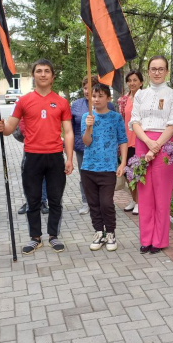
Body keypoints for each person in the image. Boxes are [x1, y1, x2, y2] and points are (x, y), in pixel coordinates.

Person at [0, 59, 73, 254]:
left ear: (52, 77)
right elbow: (10, 128)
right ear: (33, 75)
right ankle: (35, 238)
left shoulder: (62, 102)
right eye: (39, 71)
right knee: (33, 200)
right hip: (32, 157)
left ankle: (53, 235)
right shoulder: (24, 101)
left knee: (55, 199)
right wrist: (1, 127)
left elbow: (68, 132)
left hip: (55, 157)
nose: (43, 74)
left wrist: (70, 158)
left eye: (47, 71)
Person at [130, 55, 173, 254]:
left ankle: (159, 240)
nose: (157, 72)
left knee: (162, 195)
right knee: (144, 195)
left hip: (165, 145)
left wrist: (156, 146)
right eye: (153, 69)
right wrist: (148, 143)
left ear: (167, 71)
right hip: (143, 143)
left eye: (161, 69)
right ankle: (146, 238)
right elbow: (135, 122)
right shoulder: (140, 94)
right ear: (148, 71)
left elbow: (172, 123)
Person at [81, 83, 128, 251]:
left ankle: (110, 233)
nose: (96, 99)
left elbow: (123, 140)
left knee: (106, 203)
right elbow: (86, 142)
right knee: (93, 203)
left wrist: (123, 163)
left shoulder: (116, 118)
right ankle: (99, 232)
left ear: (108, 98)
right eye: (94, 96)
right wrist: (88, 127)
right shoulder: (87, 116)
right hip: (88, 167)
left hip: (108, 168)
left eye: (100, 96)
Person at [70, 75, 115, 215]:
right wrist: (68, 147)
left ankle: (102, 202)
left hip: (102, 149)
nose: (87, 91)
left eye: (90, 88)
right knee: (84, 176)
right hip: (82, 147)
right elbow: (70, 127)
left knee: (102, 176)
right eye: (84, 88)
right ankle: (86, 202)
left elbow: (114, 127)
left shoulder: (109, 105)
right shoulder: (77, 105)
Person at [116, 70, 144, 215]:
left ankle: (140, 202)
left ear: (141, 82)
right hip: (126, 141)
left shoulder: (146, 98)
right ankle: (133, 200)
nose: (132, 83)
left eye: (135, 80)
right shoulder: (123, 100)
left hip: (140, 141)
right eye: (129, 80)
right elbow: (121, 120)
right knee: (128, 173)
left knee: (138, 173)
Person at [14, 117, 48, 215]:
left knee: (44, 174)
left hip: (47, 144)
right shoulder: (25, 106)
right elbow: (21, 122)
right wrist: (32, 136)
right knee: (28, 174)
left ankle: (42, 202)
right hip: (30, 144)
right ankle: (30, 201)